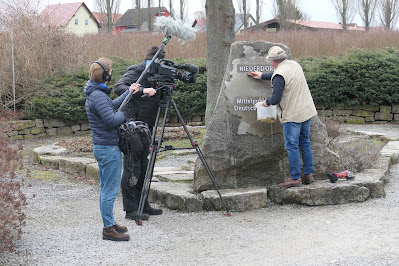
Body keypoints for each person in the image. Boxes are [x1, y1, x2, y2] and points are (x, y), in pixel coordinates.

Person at [84, 58, 140, 241]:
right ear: (106, 75)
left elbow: (111, 107)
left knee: (105, 189)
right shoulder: (98, 96)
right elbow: (112, 119)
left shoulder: (97, 93)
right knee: (110, 191)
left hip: (103, 147)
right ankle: (108, 229)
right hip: (108, 148)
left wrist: (129, 93)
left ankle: (110, 223)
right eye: (110, 71)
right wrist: (125, 115)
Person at [248, 46, 318, 188]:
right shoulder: (294, 65)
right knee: (304, 142)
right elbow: (278, 76)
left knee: (291, 146)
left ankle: (295, 178)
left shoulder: (279, 75)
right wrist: (262, 76)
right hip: (306, 111)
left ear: (273, 61)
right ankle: (309, 175)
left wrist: (264, 103)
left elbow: (275, 98)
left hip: (292, 114)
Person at [114, 46, 165, 220]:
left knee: (144, 164)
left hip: (147, 126)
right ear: (149, 60)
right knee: (132, 165)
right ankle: (131, 209)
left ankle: (143, 203)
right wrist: (142, 90)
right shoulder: (136, 71)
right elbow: (119, 87)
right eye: (156, 61)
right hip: (132, 126)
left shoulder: (159, 73)